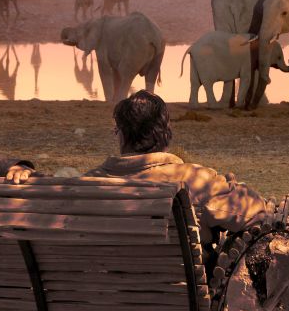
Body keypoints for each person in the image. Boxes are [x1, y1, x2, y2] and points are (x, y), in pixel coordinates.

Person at [85, 90, 268, 250]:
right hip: (177, 287)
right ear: (165, 134)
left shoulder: (86, 186)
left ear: (122, 135)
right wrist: (232, 187)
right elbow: (252, 211)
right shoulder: (193, 180)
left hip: (99, 289)